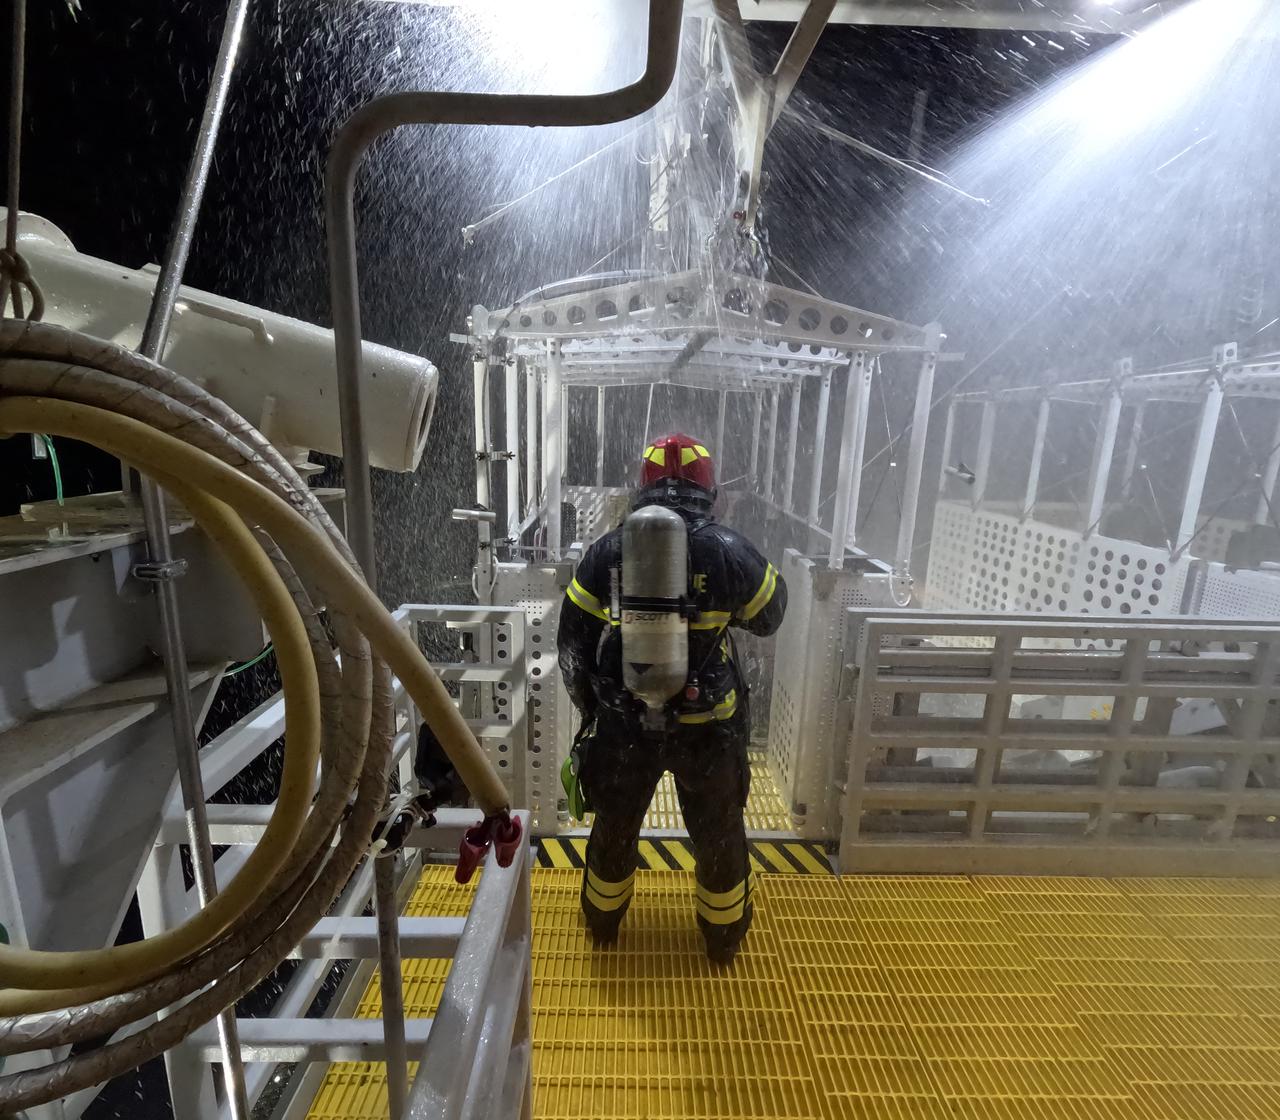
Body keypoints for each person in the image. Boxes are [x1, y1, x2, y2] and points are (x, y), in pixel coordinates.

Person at [556, 432, 787, 963]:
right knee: (719, 836)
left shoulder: (609, 550)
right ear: (710, 490)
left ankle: (604, 927)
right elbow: (771, 617)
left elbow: (572, 641)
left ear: (643, 487)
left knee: (614, 828)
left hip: (624, 725)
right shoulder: (728, 548)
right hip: (710, 728)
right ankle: (721, 940)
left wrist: (593, 710)